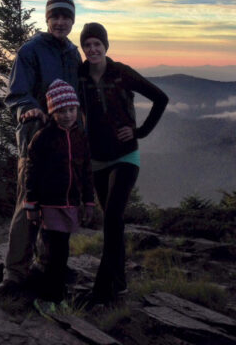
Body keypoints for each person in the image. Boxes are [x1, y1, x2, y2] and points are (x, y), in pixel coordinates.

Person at [78, 23, 169, 306]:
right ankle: (120, 285)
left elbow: (160, 98)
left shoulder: (121, 72)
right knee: (112, 223)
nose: (93, 49)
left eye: (97, 44)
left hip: (125, 155)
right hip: (96, 160)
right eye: (88, 45)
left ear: (106, 46)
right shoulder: (78, 76)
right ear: (83, 49)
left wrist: (139, 131)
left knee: (114, 218)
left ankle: (101, 289)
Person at [0, 0, 82, 295]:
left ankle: (47, 266)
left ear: (72, 20)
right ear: (47, 19)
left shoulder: (72, 52)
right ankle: (14, 274)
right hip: (34, 141)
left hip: (65, 145)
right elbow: (17, 93)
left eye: (66, 17)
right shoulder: (30, 50)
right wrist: (28, 109)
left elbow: (76, 98)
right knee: (27, 205)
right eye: (55, 17)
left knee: (56, 205)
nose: (60, 22)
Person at [24, 79, 95, 310]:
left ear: (77, 109)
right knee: (53, 251)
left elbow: (85, 172)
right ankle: (48, 298)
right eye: (61, 111)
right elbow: (31, 173)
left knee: (61, 251)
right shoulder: (43, 138)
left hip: (70, 204)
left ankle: (55, 295)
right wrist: (31, 204)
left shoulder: (80, 138)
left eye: (71, 109)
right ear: (52, 112)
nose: (67, 115)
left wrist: (89, 201)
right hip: (49, 204)